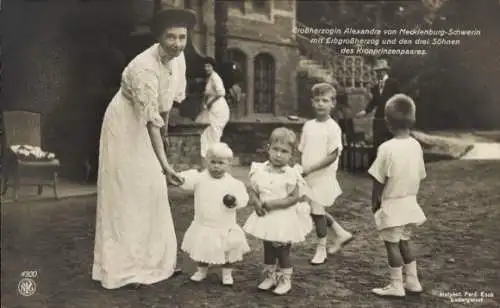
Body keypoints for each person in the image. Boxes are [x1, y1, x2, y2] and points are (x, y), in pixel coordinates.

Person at [91, 8, 195, 289]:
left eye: (182, 37)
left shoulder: (178, 57)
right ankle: (126, 267)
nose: (177, 43)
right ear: (159, 37)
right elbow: (150, 120)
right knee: (129, 190)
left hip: (149, 123)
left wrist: (167, 131)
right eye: (170, 37)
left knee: (151, 189)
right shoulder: (143, 68)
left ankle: (154, 261)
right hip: (125, 126)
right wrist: (165, 164)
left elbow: (167, 102)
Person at [368, 94, 426, 298]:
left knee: (391, 244)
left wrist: (375, 200)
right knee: (404, 242)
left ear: (387, 122)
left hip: (392, 204)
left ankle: (395, 284)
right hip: (410, 203)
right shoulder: (416, 146)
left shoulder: (386, 148)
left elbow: (378, 178)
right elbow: (420, 174)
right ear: (412, 119)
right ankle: (413, 281)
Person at [243, 127, 313, 295]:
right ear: (268, 148)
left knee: (282, 249)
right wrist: (256, 202)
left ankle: (285, 279)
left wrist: (273, 204)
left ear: (292, 154)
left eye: (284, 151)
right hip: (266, 216)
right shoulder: (259, 169)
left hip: (283, 217)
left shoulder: (291, 173)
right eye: (275, 149)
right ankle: (270, 276)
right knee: (268, 246)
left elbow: (294, 197)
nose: (279, 155)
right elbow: (252, 189)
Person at [176, 143, 250, 286]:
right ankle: (201, 269)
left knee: (228, 248)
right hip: (204, 221)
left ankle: (227, 273)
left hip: (224, 223)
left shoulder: (233, 183)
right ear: (207, 162)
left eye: (221, 163)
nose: (216, 166)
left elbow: (242, 198)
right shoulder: (200, 178)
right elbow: (187, 180)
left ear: (229, 164)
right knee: (203, 245)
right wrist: (179, 178)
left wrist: (234, 201)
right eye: (213, 162)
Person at [299, 83, 353, 265]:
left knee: (317, 211)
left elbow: (332, 155)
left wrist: (311, 169)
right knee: (315, 211)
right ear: (312, 102)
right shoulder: (308, 126)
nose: (321, 104)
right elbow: (303, 150)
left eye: (325, 100)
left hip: (322, 176)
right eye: (317, 100)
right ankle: (340, 233)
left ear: (333, 103)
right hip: (308, 176)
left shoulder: (333, 127)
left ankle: (321, 248)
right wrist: (300, 169)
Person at [356, 59, 401, 162]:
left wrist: (397, 113)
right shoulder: (376, 87)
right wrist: (365, 111)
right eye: (377, 71)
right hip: (378, 119)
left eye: (380, 71)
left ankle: (393, 165)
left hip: (390, 118)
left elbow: (399, 98)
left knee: (392, 143)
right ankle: (378, 167)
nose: (378, 73)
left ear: (385, 71)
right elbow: (373, 102)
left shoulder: (393, 83)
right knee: (377, 143)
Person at [197, 57, 230, 160]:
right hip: (213, 107)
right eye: (205, 66)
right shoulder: (210, 78)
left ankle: (216, 156)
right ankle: (208, 155)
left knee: (215, 132)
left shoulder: (215, 77)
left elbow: (221, 93)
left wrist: (210, 103)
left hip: (218, 108)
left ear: (213, 67)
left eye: (209, 66)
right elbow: (209, 93)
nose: (206, 68)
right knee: (208, 133)